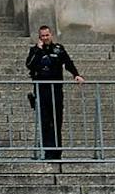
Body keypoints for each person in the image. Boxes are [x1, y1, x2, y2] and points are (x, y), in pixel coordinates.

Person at [24, 25, 84, 160]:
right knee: (45, 123)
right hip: (41, 91)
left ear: (51, 35)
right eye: (42, 36)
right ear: (39, 37)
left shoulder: (59, 49)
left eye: (47, 35)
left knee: (57, 121)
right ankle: (48, 152)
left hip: (56, 91)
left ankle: (57, 152)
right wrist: (38, 50)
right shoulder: (34, 51)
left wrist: (76, 74)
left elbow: (68, 62)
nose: (45, 38)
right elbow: (29, 64)